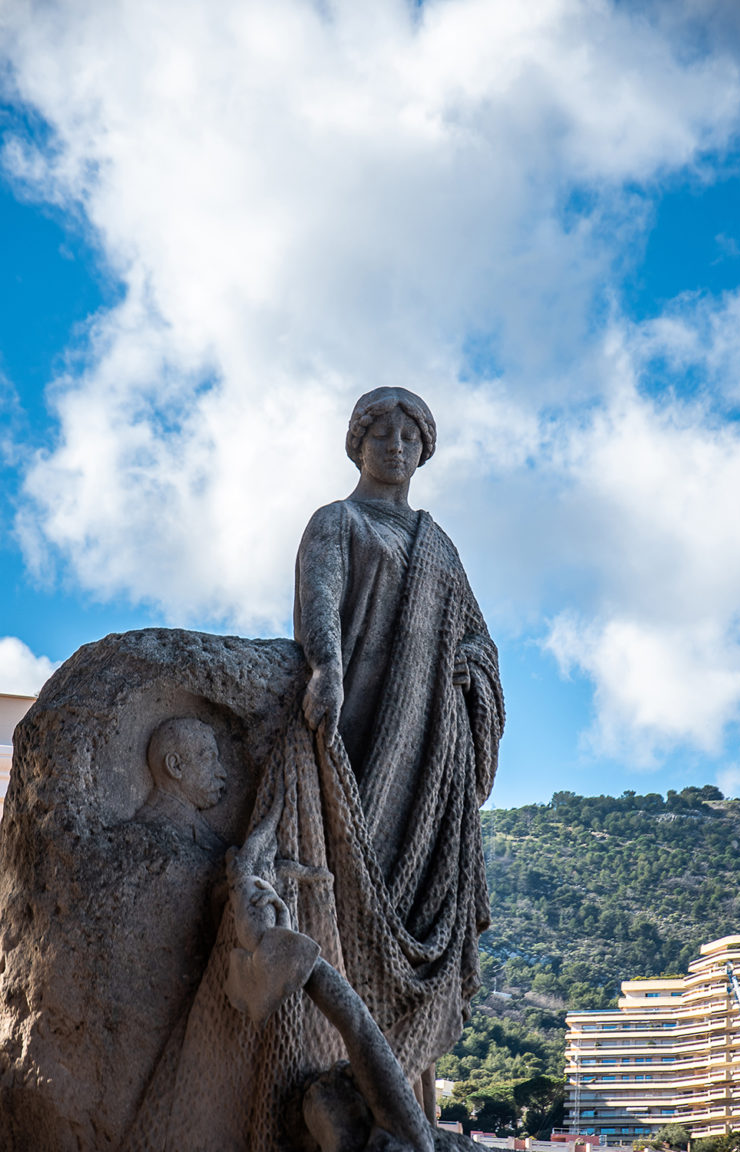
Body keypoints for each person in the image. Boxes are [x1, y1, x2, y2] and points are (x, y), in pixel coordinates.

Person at [293, 387, 505, 1113]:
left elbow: (477, 638)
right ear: (357, 444)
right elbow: (319, 604)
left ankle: (403, 1094)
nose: (395, 447)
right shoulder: (338, 521)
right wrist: (326, 668)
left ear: (423, 451)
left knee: (412, 901)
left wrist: (469, 671)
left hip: (428, 752)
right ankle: (336, 1070)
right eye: (381, 434)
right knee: (349, 889)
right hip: (357, 736)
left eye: (409, 438)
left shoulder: (439, 548)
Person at [138, 717, 228, 856]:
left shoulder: (196, 824)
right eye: (208, 759)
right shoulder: (147, 833)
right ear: (175, 766)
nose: (221, 773)